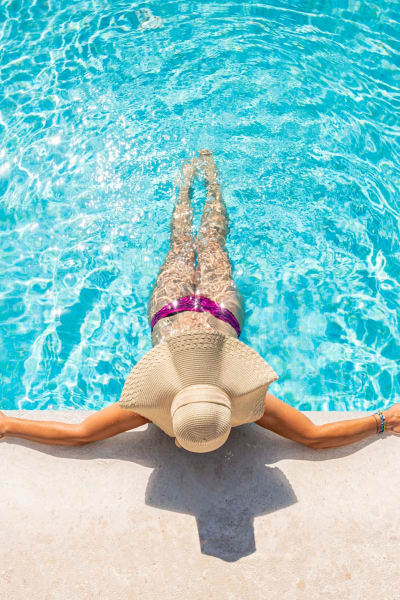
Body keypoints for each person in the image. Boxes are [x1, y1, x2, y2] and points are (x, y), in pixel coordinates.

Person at [1, 150, 399, 450]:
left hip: (219, 309)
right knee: (189, 245)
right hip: (170, 310)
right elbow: (312, 437)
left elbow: (81, 434)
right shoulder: (189, 401)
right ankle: (199, 179)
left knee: (204, 243)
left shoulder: (194, 401)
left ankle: (197, 179)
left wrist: (385, 420)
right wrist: (382, 420)